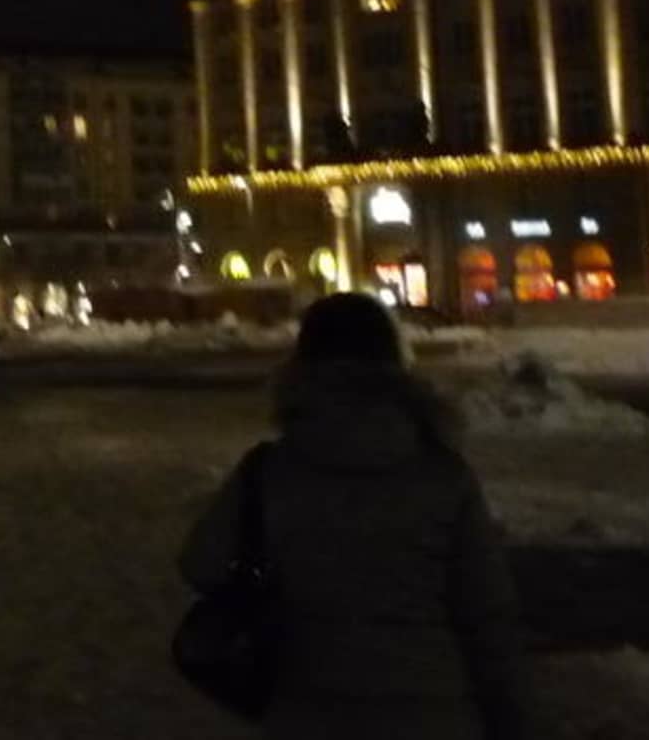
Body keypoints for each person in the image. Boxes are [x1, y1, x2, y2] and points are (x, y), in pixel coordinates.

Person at [178, 292, 525, 739]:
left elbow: (201, 565)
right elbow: (487, 616)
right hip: (431, 712)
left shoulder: (267, 473)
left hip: (306, 708)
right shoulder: (443, 475)